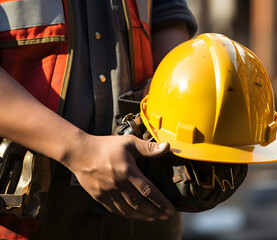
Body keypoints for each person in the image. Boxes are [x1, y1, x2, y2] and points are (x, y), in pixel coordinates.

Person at [0, 0, 197, 239]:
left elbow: (167, 12)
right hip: (27, 204)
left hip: (144, 189)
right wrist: (78, 150)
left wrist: (168, 86)